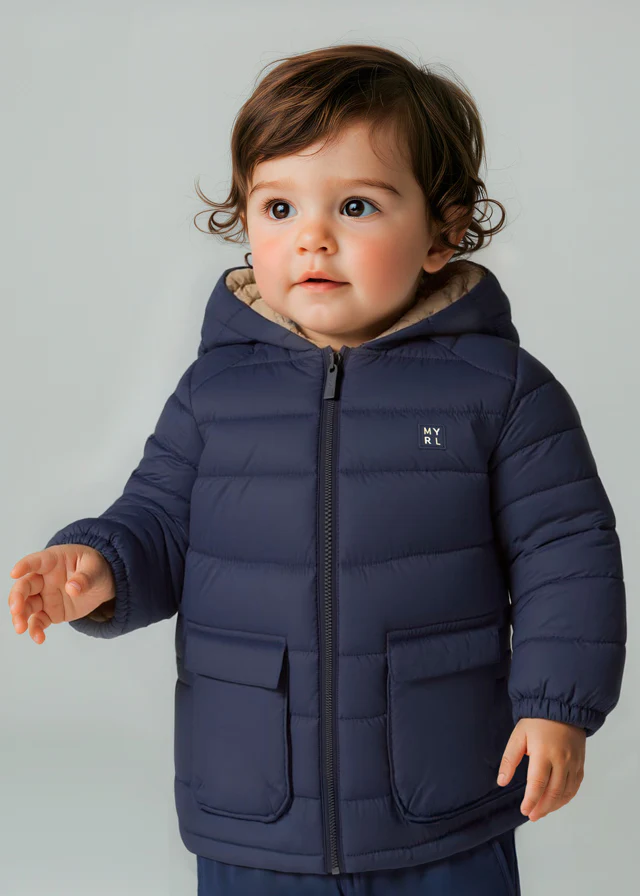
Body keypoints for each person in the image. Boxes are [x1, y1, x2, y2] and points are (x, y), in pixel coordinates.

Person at [8, 43, 626, 896]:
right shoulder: (215, 393)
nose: (312, 237)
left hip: (439, 802)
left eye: (357, 205)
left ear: (444, 231)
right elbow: (159, 521)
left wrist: (557, 703)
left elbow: (567, 553)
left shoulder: (501, 392)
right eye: (278, 206)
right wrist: (100, 567)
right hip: (253, 804)